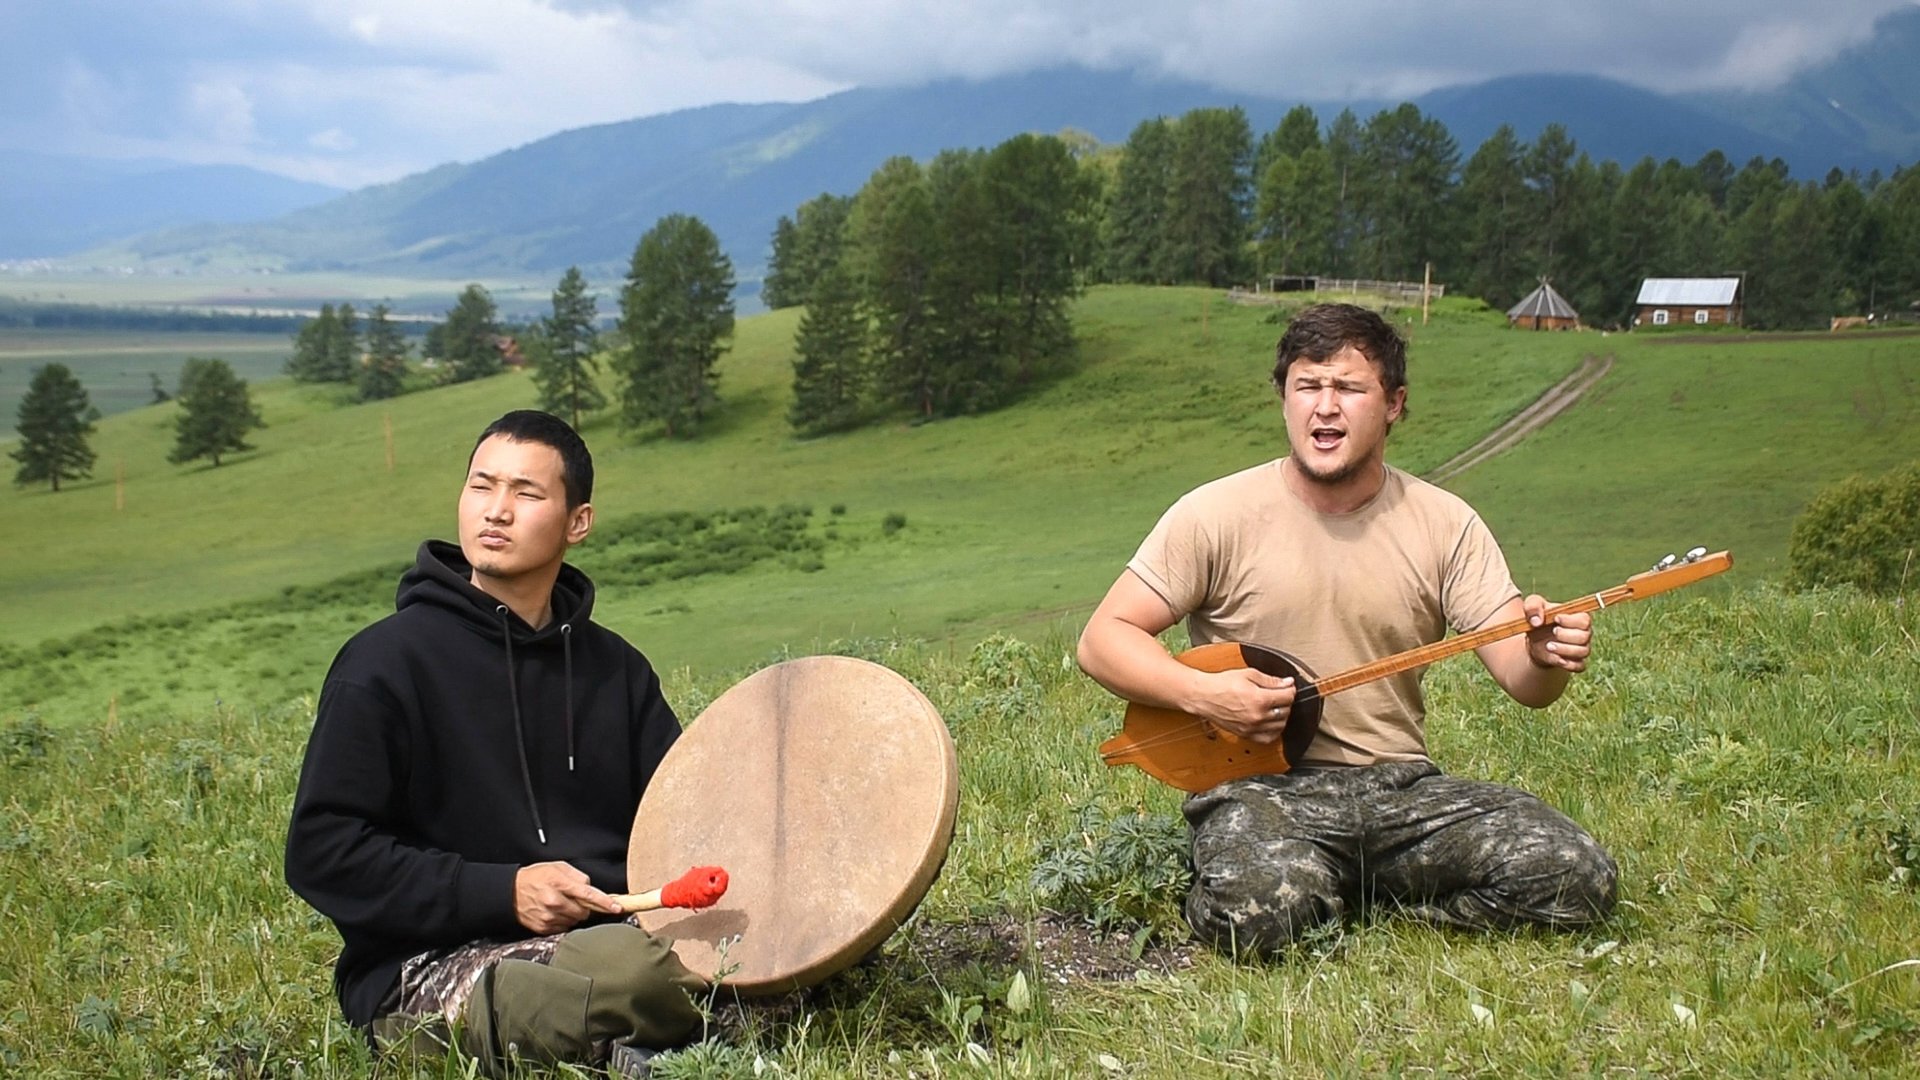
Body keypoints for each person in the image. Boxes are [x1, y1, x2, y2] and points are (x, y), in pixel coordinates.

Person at [1076, 302, 1617, 953]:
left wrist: (1545, 654)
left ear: (1393, 404)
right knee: (1265, 916)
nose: (1324, 407)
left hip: (1402, 793)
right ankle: (1298, 889)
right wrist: (1206, 696)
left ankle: (1376, 907)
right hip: (1261, 793)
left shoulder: (1445, 523)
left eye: (1349, 388)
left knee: (1574, 873)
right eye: (1307, 386)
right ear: (1285, 400)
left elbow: (1524, 682)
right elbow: (1102, 640)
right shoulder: (1213, 514)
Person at [286, 410, 702, 1077]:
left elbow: (681, 818)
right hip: (429, 969)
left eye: (526, 493)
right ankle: (655, 1033)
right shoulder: (384, 664)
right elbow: (322, 852)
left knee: (738, 942)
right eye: (482, 487)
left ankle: (637, 1040)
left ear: (578, 523)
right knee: (633, 976)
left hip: (603, 935)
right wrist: (500, 891)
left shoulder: (615, 670)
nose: (497, 512)